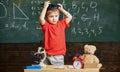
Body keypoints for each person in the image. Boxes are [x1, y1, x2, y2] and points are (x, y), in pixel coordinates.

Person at [39, 1, 72, 66]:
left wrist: (61, 9)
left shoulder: (61, 24)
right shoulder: (46, 26)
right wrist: (45, 7)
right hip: (47, 54)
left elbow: (69, 17)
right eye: (51, 16)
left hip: (58, 55)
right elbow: (41, 18)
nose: (54, 18)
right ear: (47, 17)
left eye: (56, 16)